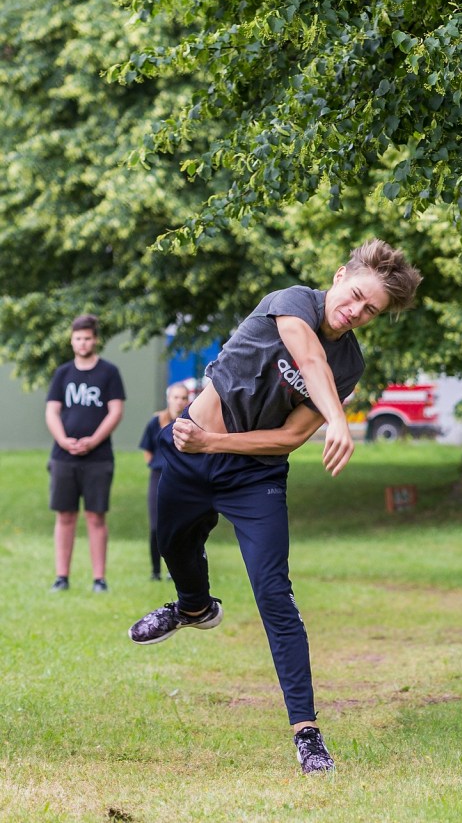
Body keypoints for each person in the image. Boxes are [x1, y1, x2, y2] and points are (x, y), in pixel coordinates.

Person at [128, 239, 422, 773]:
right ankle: (194, 608)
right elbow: (307, 357)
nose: (354, 311)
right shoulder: (289, 302)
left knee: (274, 595)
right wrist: (338, 420)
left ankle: (307, 734)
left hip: (251, 473)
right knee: (173, 542)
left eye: (370, 311)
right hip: (189, 456)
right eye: (356, 295)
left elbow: (287, 438)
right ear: (339, 276)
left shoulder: (349, 364)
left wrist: (214, 445)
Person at [45, 314, 126, 593]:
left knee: (95, 516)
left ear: (96, 340)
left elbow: (116, 411)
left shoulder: (109, 372)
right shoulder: (63, 373)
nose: (83, 343)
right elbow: (52, 411)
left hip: (98, 457)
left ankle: (99, 579)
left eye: (88, 338)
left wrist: (92, 441)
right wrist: (64, 440)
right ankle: (61, 576)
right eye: (78, 338)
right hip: (63, 456)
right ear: (72, 341)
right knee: (65, 515)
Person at [139, 383, 191, 580]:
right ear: (168, 398)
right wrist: (156, 464)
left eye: (183, 397)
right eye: (176, 397)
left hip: (183, 478)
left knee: (180, 526)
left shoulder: (191, 421)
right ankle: (155, 570)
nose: (180, 401)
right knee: (156, 525)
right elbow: (147, 449)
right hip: (159, 475)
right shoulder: (156, 422)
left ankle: (176, 570)